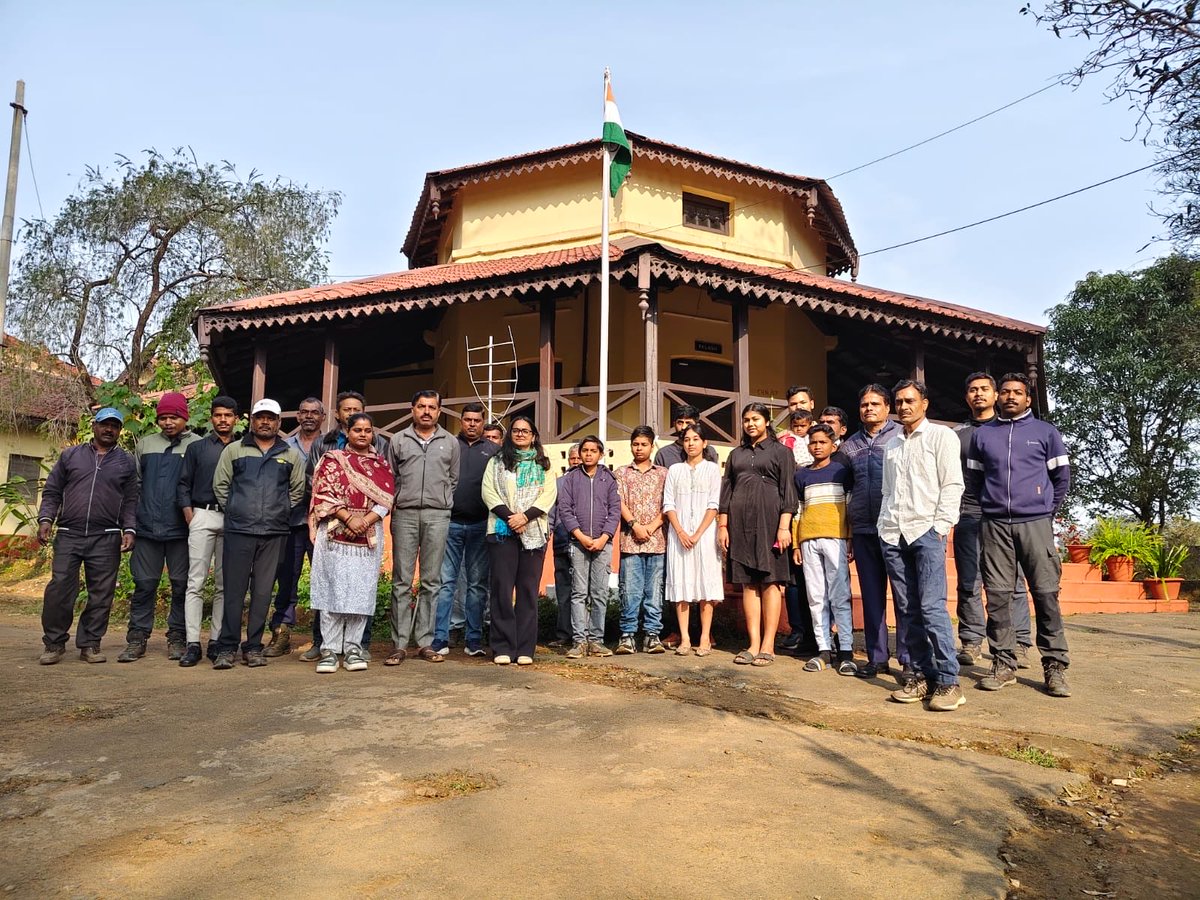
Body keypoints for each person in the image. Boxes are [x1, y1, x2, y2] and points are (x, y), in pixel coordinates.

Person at [967, 373, 1073, 698]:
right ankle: (1003, 663)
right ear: (998, 396)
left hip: (1036, 524)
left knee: (1045, 594)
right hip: (995, 524)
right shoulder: (983, 435)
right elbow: (974, 481)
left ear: (1028, 399)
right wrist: (989, 509)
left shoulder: (1046, 432)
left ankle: (1054, 666)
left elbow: (1062, 478)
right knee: (997, 596)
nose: (1011, 397)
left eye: (1019, 393)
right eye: (1007, 392)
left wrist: (1043, 510)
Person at [879, 379, 965, 711]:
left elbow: (952, 484)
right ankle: (920, 676)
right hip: (893, 533)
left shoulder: (942, 436)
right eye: (898, 402)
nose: (903, 406)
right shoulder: (892, 445)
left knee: (931, 609)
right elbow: (888, 491)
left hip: (926, 532)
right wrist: (883, 526)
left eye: (909, 400)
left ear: (924, 403)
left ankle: (948, 681)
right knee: (907, 611)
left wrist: (940, 526)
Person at [36, 408, 138, 665]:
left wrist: (129, 529)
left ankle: (90, 644)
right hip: (69, 534)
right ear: (94, 426)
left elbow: (131, 500)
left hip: (106, 536)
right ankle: (54, 643)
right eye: (105, 424)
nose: (109, 429)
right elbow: (52, 491)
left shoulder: (126, 462)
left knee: (101, 593)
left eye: (115, 426)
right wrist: (46, 519)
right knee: (59, 589)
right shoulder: (71, 455)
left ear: (119, 430)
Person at [211, 398, 307, 669]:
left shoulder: (290, 455)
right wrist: (237, 511)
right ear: (252, 421)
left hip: (275, 533)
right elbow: (221, 486)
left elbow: (297, 491)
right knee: (234, 591)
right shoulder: (234, 450)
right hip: (239, 530)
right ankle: (226, 647)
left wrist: (278, 511)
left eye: (271, 418)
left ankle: (253, 647)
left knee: (263, 593)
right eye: (260, 417)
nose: (265, 422)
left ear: (278, 422)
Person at [953, 373, 1033, 668]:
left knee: (1012, 582)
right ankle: (971, 642)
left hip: (1005, 515)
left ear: (996, 395)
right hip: (968, 514)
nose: (978, 394)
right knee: (969, 582)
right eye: (972, 390)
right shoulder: (957, 435)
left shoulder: (1010, 431)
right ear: (967, 397)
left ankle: (1019, 642)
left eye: (985, 389)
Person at [307, 412, 394, 674]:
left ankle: (354, 647)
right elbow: (322, 494)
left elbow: (387, 499)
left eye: (368, 430)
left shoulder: (381, 465)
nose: (363, 434)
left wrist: (365, 521)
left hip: (367, 536)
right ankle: (330, 650)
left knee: (360, 591)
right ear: (348, 432)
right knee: (332, 590)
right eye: (358, 430)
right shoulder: (332, 461)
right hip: (334, 533)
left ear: (373, 434)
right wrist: (348, 518)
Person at [118, 392, 199, 663]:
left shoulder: (197, 445)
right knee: (144, 584)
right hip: (147, 528)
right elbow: (135, 486)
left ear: (184, 418)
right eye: (163, 417)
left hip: (182, 532)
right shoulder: (145, 444)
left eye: (173, 417)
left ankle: (177, 637)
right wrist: (132, 523)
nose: (168, 422)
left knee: (181, 585)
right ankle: (137, 638)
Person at [718, 402, 797, 667]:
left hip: (771, 523)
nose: (750, 424)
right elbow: (726, 492)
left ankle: (768, 645)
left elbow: (789, 493)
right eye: (746, 420)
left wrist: (784, 526)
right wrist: (722, 525)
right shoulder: (736, 455)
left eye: (756, 419)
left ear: (766, 422)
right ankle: (753, 643)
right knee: (748, 583)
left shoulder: (781, 452)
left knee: (770, 581)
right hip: (739, 525)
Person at [385, 390, 459, 665]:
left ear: (439, 411)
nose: (426, 411)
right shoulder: (398, 440)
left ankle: (425, 642)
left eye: (432, 407)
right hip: (404, 514)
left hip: (437, 515)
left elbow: (453, 479)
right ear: (412, 409)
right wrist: (401, 499)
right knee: (402, 581)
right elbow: (390, 477)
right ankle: (399, 644)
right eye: (421, 406)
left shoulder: (450, 443)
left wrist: (439, 500)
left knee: (431, 581)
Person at [840, 384, 908, 679]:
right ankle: (877, 658)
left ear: (887, 407)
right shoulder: (849, 445)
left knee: (903, 595)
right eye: (864, 404)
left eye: (875, 404)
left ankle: (908, 659)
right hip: (865, 529)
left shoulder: (900, 436)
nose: (869, 409)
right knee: (871, 596)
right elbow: (846, 488)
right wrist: (850, 532)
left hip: (896, 528)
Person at [481, 414, 557, 666]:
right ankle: (503, 646)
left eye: (526, 431)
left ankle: (525, 648)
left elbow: (548, 495)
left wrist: (525, 517)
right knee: (502, 589)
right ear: (510, 434)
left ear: (534, 435)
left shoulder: (543, 464)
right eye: (516, 430)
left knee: (527, 591)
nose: (520, 434)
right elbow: (488, 491)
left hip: (533, 531)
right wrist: (510, 517)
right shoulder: (497, 462)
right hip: (502, 531)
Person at [177, 395, 239, 666]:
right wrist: (190, 514)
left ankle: (216, 641)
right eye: (218, 415)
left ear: (236, 418)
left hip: (234, 520)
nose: (223, 420)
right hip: (202, 514)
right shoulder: (197, 448)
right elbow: (182, 484)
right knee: (196, 581)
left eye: (228, 415)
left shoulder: (243, 448)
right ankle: (193, 643)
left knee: (225, 584)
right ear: (211, 417)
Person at [432, 402, 499, 657]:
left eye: (477, 420)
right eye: (467, 419)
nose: (472, 424)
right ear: (461, 421)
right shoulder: (448, 445)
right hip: (449, 523)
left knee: (477, 585)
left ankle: (473, 640)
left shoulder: (494, 451)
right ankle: (440, 638)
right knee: (445, 582)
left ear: (483, 423)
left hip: (481, 524)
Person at [793, 424, 857, 674]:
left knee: (839, 595)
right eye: (813, 442)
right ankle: (823, 650)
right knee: (816, 595)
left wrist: (849, 537)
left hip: (836, 538)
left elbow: (849, 506)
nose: (817, 446)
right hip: (809, 540)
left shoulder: (842, 471)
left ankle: (846, 652)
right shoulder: (801, 476)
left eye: (822, 442)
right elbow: (798, 512)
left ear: (833, 445)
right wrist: (797, 543)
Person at [265, 396, 325, 658]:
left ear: (323, 417)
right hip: (289, 523)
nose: (309, 416)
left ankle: (322, 640)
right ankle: (281, 635)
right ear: (297, 417)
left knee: (323, 581)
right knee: (286, 579)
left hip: (322, 526)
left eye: (314, 412)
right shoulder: (283, 447)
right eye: (304, 412)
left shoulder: (330, 446)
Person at [662, 423, 723, 656]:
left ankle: (705, 637)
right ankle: (685, 638)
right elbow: (669, 504)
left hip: (705, 536)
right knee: (682, 586)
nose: (691, 443)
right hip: (679, 537)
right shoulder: (675, 470)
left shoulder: (711, 469)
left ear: (704, 443)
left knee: (706, 585)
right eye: (687, 439)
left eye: (696, 439)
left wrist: (697, 534)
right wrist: (680, 532)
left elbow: (714, 504)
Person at [558, 435, 620, 658]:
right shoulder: (571, 479)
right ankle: (579, 641)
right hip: (578, 542)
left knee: (600, 592)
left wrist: (604, 537)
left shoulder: (609, 479)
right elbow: (564, 510)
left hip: (603, 543)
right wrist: (580, 535)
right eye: (585, 450)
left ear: (601, 454)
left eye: (593, 450)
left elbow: (615, 511)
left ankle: (596, 640)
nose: (588, 454)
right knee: (578, 593)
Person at [614, 426, 669, 654]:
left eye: (644, 444)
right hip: (630, 541)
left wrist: (653, 526)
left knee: (654, 590)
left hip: (657, 542)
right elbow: (618, 502)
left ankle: (652, 635)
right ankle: (627, 636)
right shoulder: (621, 473)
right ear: (631, 446)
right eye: (635, 444)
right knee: (630, 590)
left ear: (652, 446)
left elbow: (669, 504)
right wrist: (635, 525)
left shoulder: (664, 473)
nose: (639, 448)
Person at [547, 442, 582, 648]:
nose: (576, 462)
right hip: (561, 542)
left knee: (583, 591)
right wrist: (549, 533)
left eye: (579, 458)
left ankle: (583, 634)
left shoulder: (593, 481)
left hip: (586, 543)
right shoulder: (558, 483)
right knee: (563, 590)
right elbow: (552, 512)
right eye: (573, 458)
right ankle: (563, 634)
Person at [653, 404, 719, 467]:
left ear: (697, 425)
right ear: (674, 424)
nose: (683, 427)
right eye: (680, 423)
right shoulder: (664, 454)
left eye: (688, 423)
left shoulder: (709, 451)